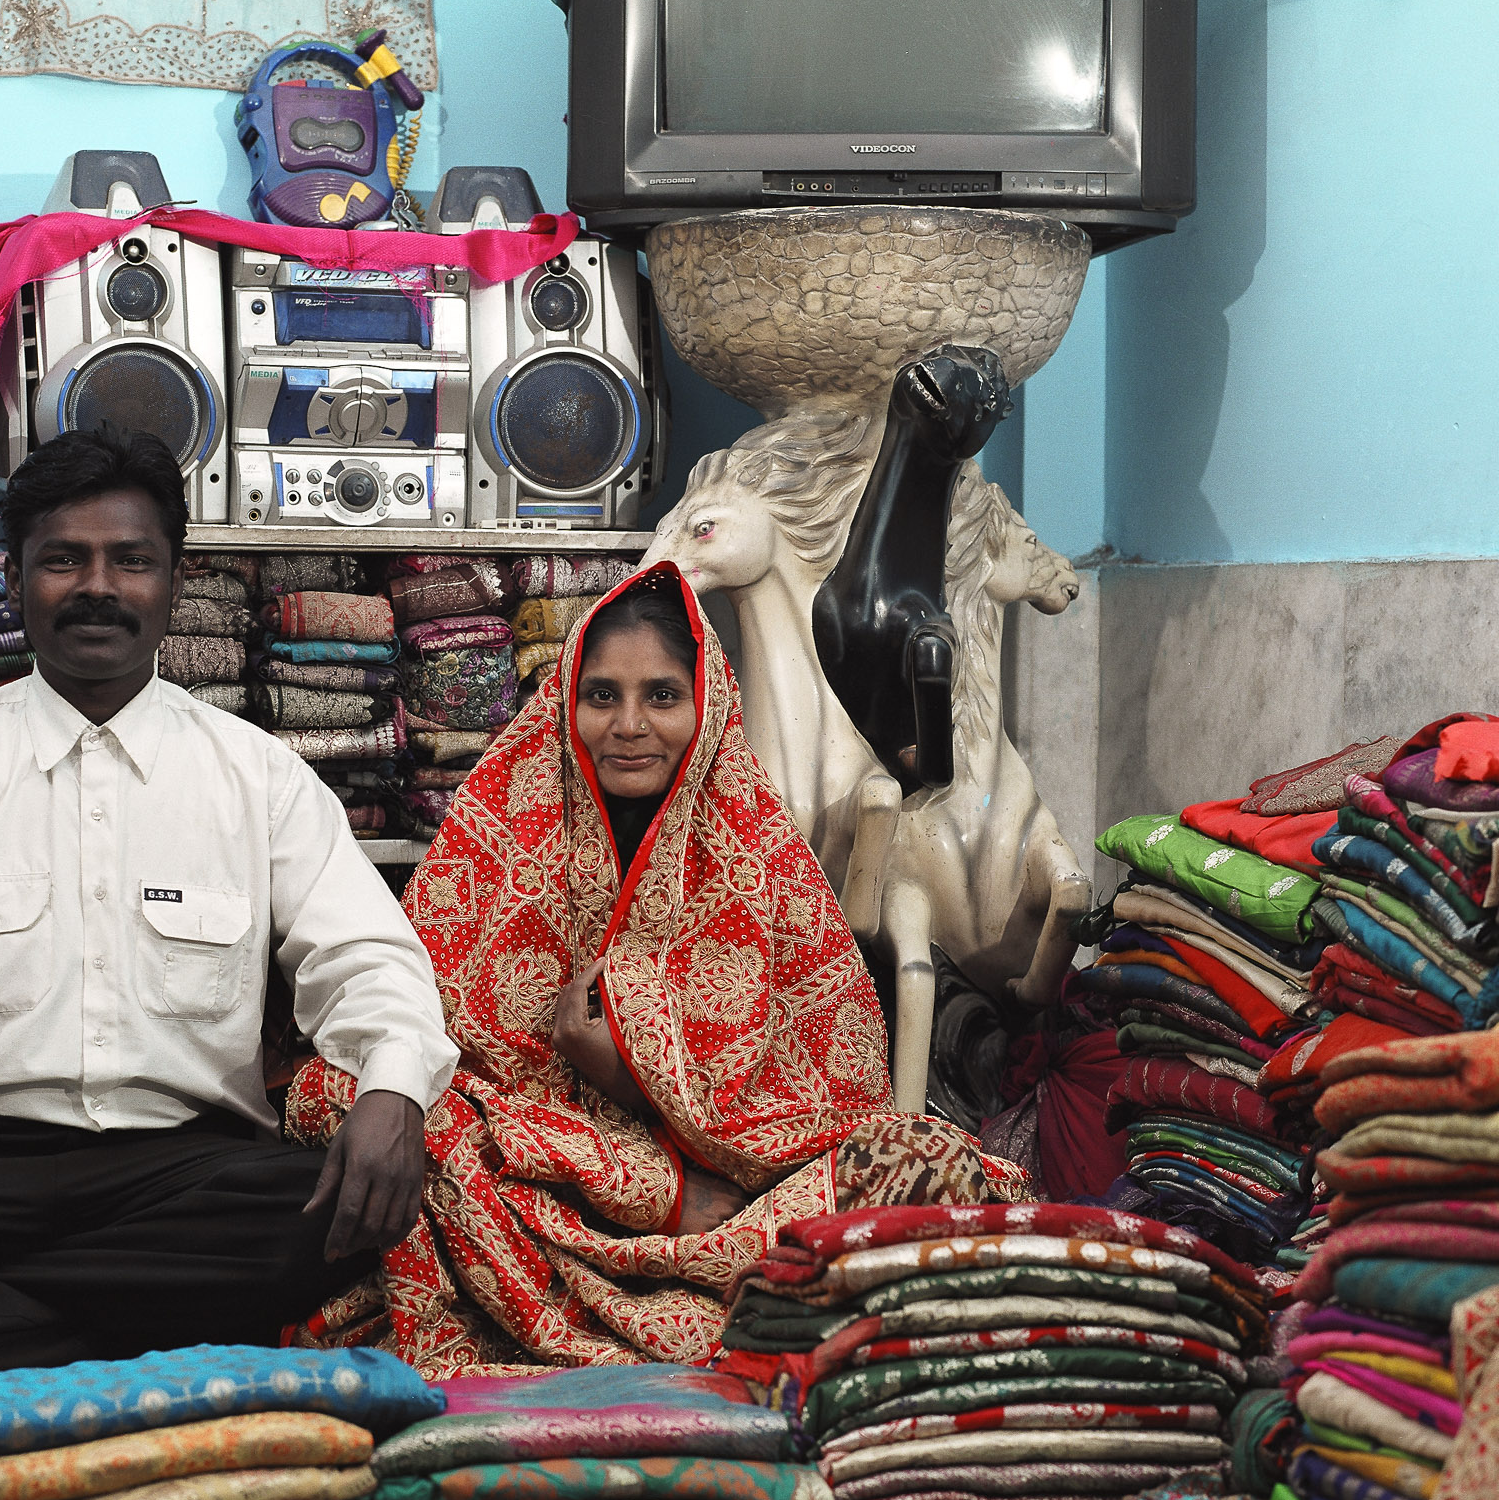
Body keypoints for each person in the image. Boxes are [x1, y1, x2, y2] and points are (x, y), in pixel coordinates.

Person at [0, 428, 457, 1381]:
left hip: (177, 1167)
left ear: (172, 586)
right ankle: (129, 1348)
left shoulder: (255, 774)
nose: (98, 586)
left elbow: (367, 957)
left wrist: (390, 1089)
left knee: (314, 1220)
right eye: (64, 560)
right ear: (16, 582)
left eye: (130, 560)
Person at [286, 564, 1028, 1375]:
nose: (629, 725)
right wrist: (639, 1181)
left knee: (925, 1159)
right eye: (601, 695)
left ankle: (668, 1294)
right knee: (374, 1105)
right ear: (564, 700)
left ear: (707, 705)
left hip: (734, 1204)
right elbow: (426, 1039)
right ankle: (685, 1310)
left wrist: (634, 1076)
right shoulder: (499, 827)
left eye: (662, 696)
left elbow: (831, 1098)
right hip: (545, 1199)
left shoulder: (763, 858)